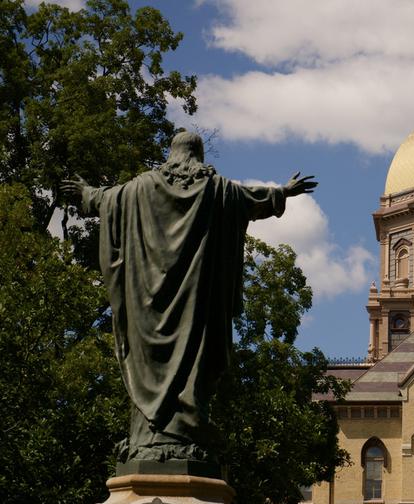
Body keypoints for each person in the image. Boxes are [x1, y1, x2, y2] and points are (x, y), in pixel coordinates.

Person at [61, 131, 316, 462]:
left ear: (172, 155)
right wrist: (283, 192)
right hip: (196, 311)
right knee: (194, 363)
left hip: (147, 308)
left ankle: (149, 440)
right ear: (198, 156)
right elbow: (252, 199)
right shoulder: (217, 190)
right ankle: (181, 434)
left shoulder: (139, 188)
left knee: (149, 365)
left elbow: (109, 200)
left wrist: (86, 192)